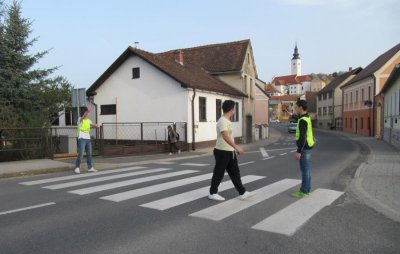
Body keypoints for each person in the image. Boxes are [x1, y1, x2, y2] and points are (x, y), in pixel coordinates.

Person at [209, 100, 254, 201]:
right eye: (233, 109)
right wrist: (236, 146)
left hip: (229, 151)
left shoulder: (227, 121)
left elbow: (228, 136)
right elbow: (225, 136)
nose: (234, 111)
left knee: (235, 172)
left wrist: (233, 148)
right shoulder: (222, 121)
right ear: (230, 110)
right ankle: (212, 193)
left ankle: (242, 192)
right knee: (219, 173)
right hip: (221, 151)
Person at [292, 100, 315, 198]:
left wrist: (298, 151)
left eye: (296, 107)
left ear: (301, 107)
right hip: (309, 146)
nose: (295, 108)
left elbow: (302, 138)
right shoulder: (306, 117)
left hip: (304, 148)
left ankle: (304, 191)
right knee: (307, 169)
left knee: (305, 170)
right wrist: (293, 116)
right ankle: (307, 189)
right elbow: (299, 118)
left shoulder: (302, 121)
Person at [74, 106, 99, 174]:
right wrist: (86, 112)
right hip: (81, 138)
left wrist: (96, 125)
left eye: (88, 113)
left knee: (89, 154)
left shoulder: (89, 120)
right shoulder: (79, 119)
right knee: (81, 154)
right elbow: (82, 118)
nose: (88, 114)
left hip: (88, 139)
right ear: (84, 113)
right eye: (87, 113)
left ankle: (90, 167)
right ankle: (77, 167)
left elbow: (92, 125)